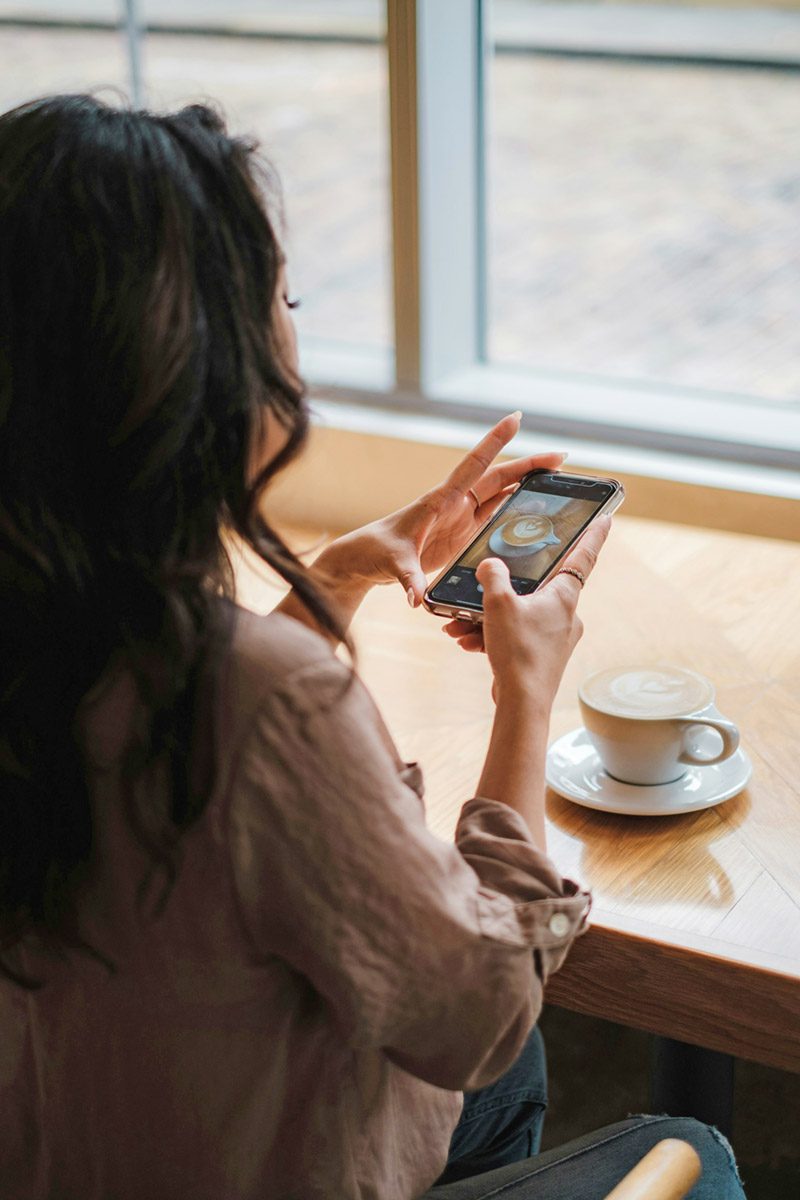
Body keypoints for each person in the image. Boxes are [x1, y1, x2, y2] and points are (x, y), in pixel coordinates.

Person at [0, 95, 745, 1200]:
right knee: (691, 1144)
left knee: (509, 1066)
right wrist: (523, 693)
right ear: (196, 361)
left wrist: (334, 574)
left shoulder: (58, 631)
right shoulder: (264, 700)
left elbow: (181, 769)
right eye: (281, 300)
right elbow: (478, 1011)